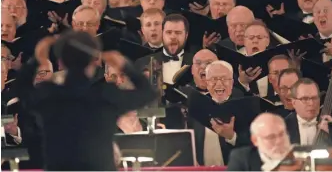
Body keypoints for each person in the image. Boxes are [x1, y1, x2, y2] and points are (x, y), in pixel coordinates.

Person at [14, 31, 157, 170]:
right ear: (93, 62)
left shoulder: (49, 94)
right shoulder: (106, 95)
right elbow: (148, 93)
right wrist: (125, 65)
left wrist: (37, 59)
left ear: (61, 62)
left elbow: (21, 89)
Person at [188, 60, 246, 166]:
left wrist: (231, 137)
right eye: (214, 79)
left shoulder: (245, 107)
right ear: (207, 83)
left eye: (224, 79)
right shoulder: (196, 108)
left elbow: (253, 149)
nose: (219, 84)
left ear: (232, 83)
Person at [227, 113, 293, 171]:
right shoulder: (241, 158)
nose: (279, 141)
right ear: (255, 140)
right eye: (271, 137)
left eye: (281, 134)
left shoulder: (299, 155)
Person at [286, 78, 332, 146]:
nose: (311, 103)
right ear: (294, 102)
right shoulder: (283, 126)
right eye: (305, 99)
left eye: (315, 98)